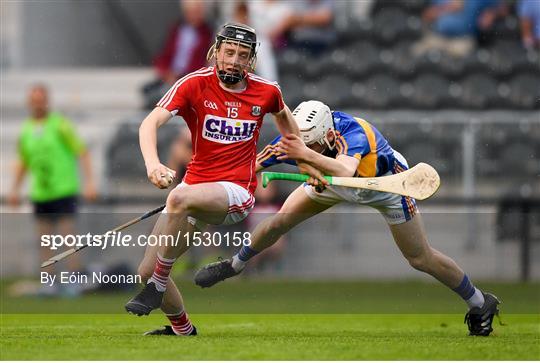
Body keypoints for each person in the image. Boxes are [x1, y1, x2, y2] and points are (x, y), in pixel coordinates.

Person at [194, 100, 501, 337]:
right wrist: (210, 185)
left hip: (384, 186)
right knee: (278, 222)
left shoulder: (355, 132)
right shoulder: (296, 137)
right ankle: (234, 264)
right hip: (333, 185)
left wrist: (309, 161)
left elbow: (344, 171)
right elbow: (250, 167)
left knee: (420, 258)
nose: (303, 149)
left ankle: (479, 302)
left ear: (327, 135)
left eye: (311, 144)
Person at [124, 23, 325, 336]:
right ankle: (183, 329)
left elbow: (286, 121)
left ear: (251, 60)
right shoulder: (193, 84)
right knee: (145, 270)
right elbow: (149, 124)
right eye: (229, 52)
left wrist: (305, 159)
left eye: (242, 55)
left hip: (236, 193)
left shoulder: (267, 91)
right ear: (215, 52)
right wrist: (153, 165)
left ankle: (159, 283)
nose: (234, 60)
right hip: (195, 188)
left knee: (176, 201)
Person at [8, 84, 97, 286]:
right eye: (34, 100)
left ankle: (74, 280)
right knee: (44, 241)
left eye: (41, 99)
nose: (38, 104)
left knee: (68, 238)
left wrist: (90, 182)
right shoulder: (27, 129)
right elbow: (24, 161)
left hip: (64, 189)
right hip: (41, 192)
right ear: (29, 103)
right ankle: (49, 282)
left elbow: (81, 151)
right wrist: (15, 188)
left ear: (46, 101)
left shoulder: (60, 124)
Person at [142, 0, 213, 109]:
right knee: (147, 90)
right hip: (171, 74)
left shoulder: (207, 33)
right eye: (191, 12)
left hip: (188, 76)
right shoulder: (177, 29)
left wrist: (182, 76)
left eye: (197, 12)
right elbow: (165, 52)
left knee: (162, 96)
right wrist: (165, 71)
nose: (194, 15)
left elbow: (203, 61)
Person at [412, 0, 502, 58]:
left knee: (457, 59)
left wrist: (491, 14)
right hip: (438, 38)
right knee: (417, 52)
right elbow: (426, 15)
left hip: (464, 40)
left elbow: (501, 8)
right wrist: (446, 8)